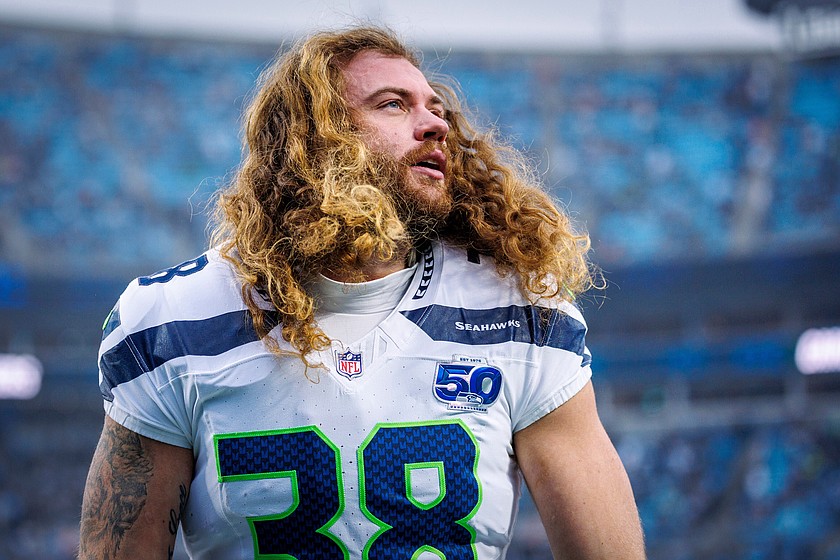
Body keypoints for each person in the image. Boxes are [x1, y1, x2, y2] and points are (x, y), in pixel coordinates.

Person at [79, 26, 645, 559]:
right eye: (393, 104)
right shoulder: (171, 320)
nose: (435, 125)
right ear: (311, 136)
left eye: (435, 108)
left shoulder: (520, 311)